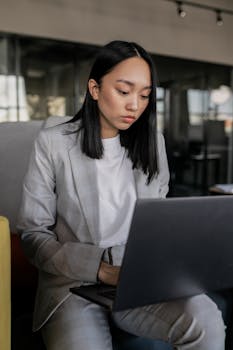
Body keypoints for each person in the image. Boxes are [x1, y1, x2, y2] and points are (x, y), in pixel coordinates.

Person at [17, 40, 225, 350]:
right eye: (124, 91)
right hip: (72, 284)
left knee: (206, 318)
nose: (135, 106)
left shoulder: (153, 142)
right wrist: (100, 270)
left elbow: (159, 225)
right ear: (95, 88)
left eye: (144, 95)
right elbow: (33, 235)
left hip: (138, 279)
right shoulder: (53, 143)